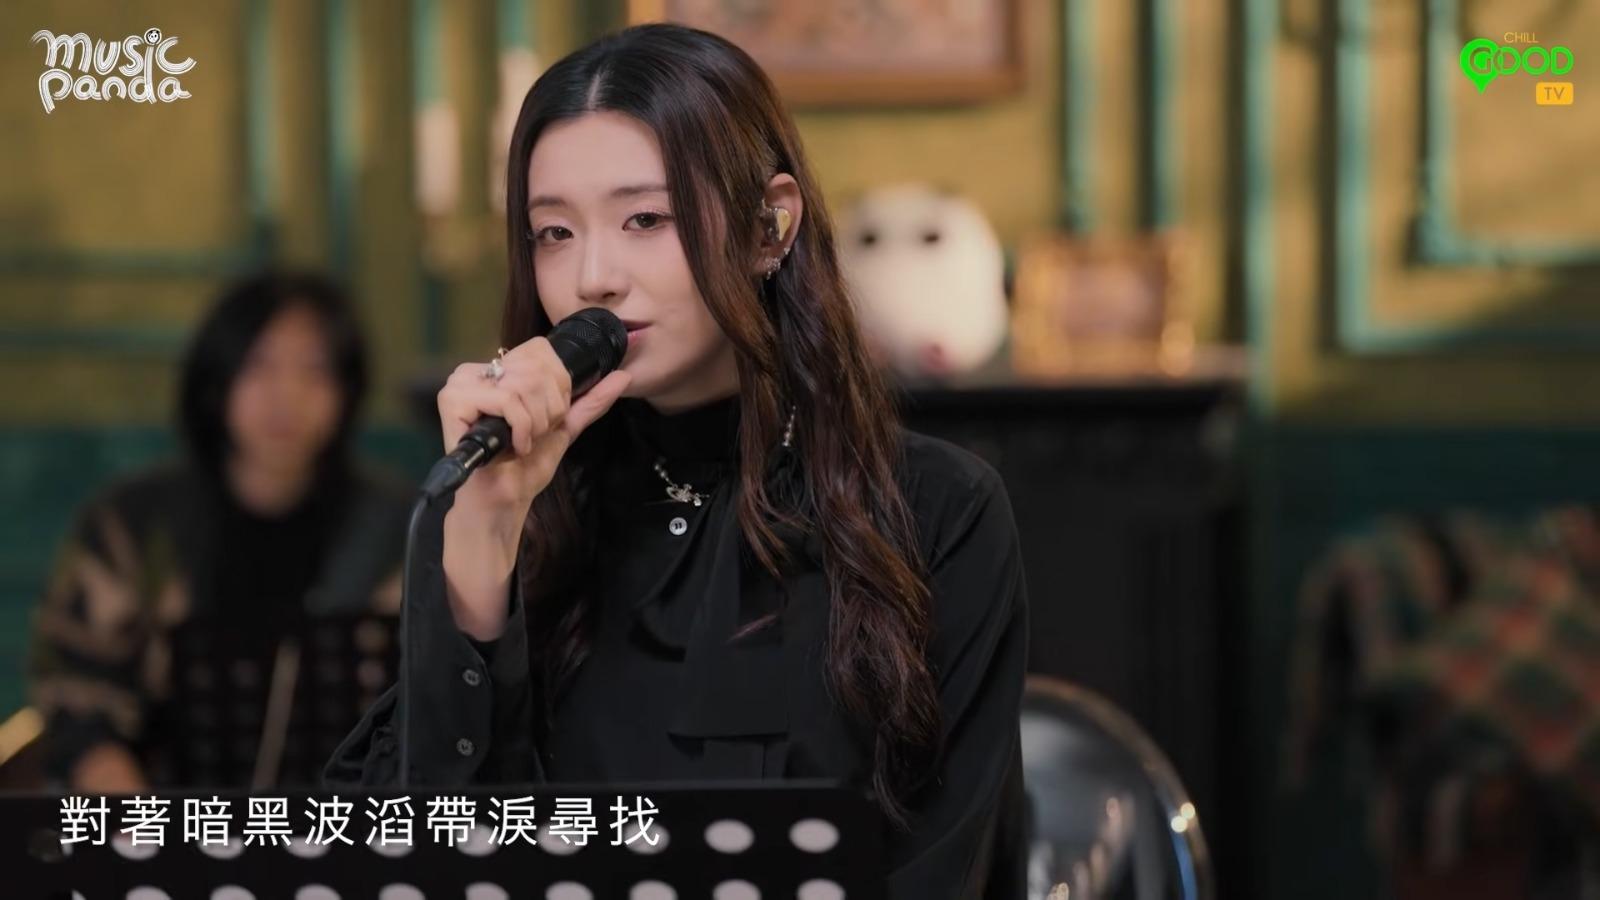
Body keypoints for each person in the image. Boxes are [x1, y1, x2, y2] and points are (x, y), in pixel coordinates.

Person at [325, 24, 1029, 897]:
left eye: (645, 219)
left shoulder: (937, 508)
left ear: (769, 226)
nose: (593, 277)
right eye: (553, 232)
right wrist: (480, 544)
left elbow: (945, 867)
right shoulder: (531, 504)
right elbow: (404, 852)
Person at [27, 270, 412, 793]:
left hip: (354, 829)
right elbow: (77, 693)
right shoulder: (134, 524)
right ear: (216, 380)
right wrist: (133, 812)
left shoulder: (400, 529)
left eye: (315, 369)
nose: (287, 395)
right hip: (163, 823)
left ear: (347, 390)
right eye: (259, 365)